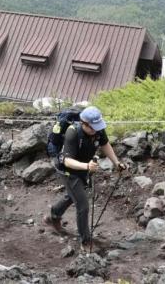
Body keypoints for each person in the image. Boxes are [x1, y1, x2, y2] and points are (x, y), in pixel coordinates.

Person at [44, 106, 125, 251]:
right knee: (83, 205)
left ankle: (53, 216)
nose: (96, 130)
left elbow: (105, 144)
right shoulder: (72, 132)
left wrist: (116, 163)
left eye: (97, 127)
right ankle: (85, 241)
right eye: (93, 127)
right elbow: (67, 161)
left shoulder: (97, 129)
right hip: (68, 170)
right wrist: (87, 167)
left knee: (72, 195)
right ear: (84, 123)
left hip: (83, 168)